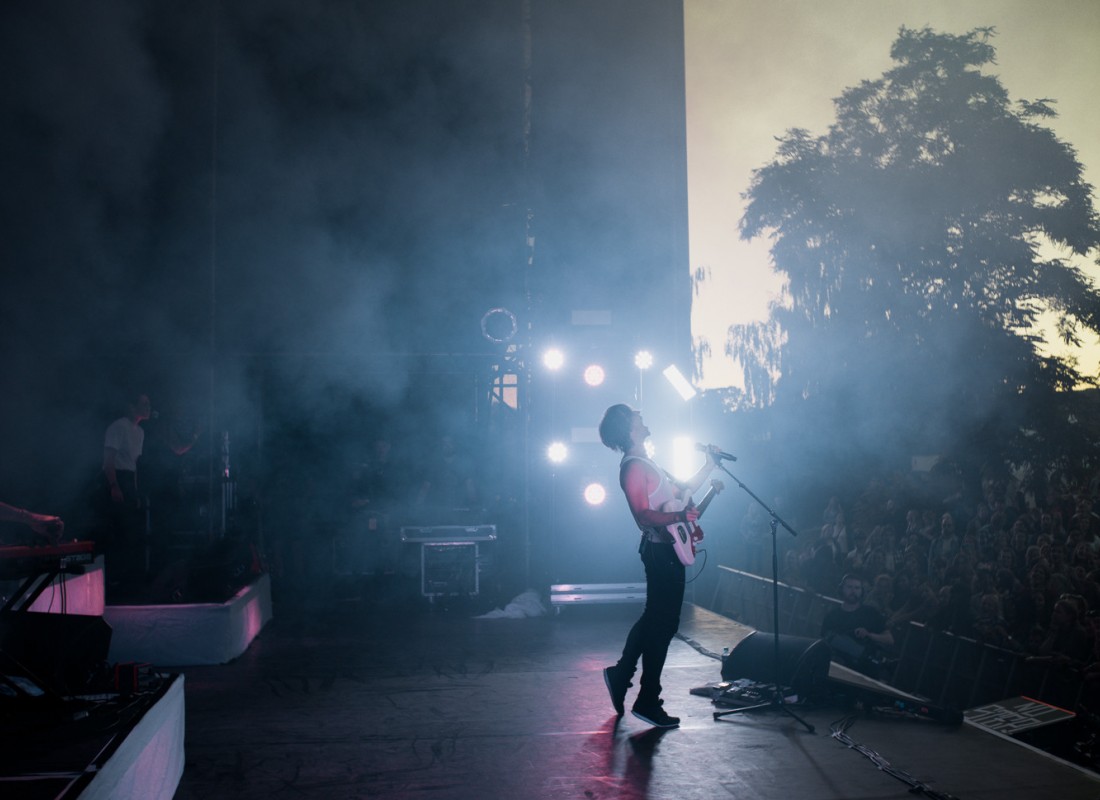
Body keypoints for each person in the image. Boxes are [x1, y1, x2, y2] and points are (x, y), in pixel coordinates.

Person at [598, 404, 718, 728]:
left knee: (656, 620)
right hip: (660, 553)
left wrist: (708, 466)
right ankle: (647, 698)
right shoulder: (633, 468)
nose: (642, 415)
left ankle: (623, 675)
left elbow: (679, 494)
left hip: (667, 550)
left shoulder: (648, 462)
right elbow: (642, 516)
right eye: (636, 415)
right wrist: (680, 517)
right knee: (662, 624)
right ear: (628, 427)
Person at [821, 573, 895, 679]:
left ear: (862, 591)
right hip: (837, 670)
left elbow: (889, 639)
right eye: (849, 587)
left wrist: (869, 634)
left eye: (857, 588)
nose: (853, 591)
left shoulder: (870, 613)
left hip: (864, 671)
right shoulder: (832, 615)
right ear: (842, 589)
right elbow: (824, 640)